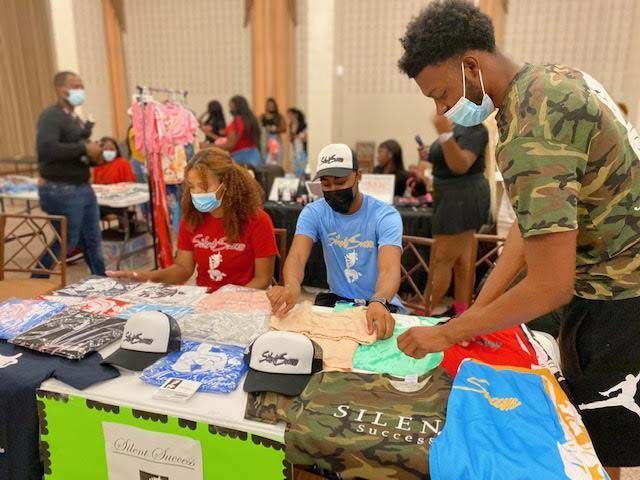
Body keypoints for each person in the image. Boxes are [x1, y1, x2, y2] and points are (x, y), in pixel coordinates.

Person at [395, 1, 640, 476]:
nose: (443, 110)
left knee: (599, 449)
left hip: (620, 293)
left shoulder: (533, 123)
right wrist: (481, 315)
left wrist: (447, 332)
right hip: (615, 280)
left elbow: (551, 285)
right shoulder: (549, 81)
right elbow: (533, 233)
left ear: (471, 65)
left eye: (441, 94)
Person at [267, 143, 403, 340]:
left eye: (340, 182)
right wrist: (292, 286)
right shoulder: (314, 212)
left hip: (380, 301)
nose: (333, 189)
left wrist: (379, 300)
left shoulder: (385, 215)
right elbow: (297, 256)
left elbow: (390, 268)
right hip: (338, 302)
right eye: (326, 184)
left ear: (359, 176)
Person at [108, 147, 277, 292]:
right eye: (191, 186)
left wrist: (230, 301)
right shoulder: (191, 219)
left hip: (244, 302)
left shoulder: (257, 220)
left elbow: (262, 280)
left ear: (226, 185)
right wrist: (148, 277)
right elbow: (183, 268)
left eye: (203, 187)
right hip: (205, 299)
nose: (196, 193)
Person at [36, 71, 105, 276]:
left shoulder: (73, 118)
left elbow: (75, 145)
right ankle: (37, 277)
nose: (80, 91)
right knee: (67, 242)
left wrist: (92, 152)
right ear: (60, 89)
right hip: (62, 189)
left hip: (82, 187)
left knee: (93, 240)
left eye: (81, 86)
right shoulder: (51, 116)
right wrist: (83, 149)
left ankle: (102, 282)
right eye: (75, 86)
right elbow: (47, 148)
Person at [421, 117, 490, 315]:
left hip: (461, 199)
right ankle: (461, 314)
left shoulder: (474, 128)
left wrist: (444, 133)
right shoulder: (456, 125)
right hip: (450, 197)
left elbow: (461, 164)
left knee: (441, 260)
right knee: (462, 262)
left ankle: (423, 314)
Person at [220, 95, 262, 169]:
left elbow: (230, 145)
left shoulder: (238, 120)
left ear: (237, 107)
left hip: (241, 157)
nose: (229, 109)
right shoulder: (249, 119)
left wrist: (207, 147)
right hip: (254, 156)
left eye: (230, 106)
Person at [260, 97, 286, 165]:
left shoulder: (279, 117)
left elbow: (284, 128)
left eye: (272, 105)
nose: (271, 106)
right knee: (265, 160)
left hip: (275, 140)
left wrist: (274, 129)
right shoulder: (262, 117)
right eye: (269, 105)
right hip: (264, 140)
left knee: (275, 161)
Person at [287, 107, 308, 176]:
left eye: (290, 115)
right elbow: (290, 138)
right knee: (294, 164)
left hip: (302, 149)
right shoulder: (290, 125)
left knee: (302, 165)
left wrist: (298, 137)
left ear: (295, 114)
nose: (289, 117)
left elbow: (305, 138)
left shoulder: (303, 125)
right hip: (294, 148)